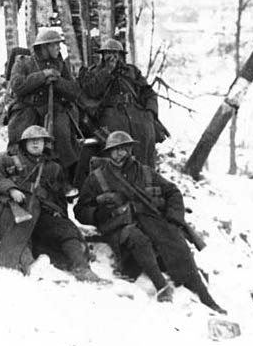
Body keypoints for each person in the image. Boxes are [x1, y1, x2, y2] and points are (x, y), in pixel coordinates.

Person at [75, 131, 225, 312]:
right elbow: (81, 211)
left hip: (150, 220)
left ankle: (204, 295)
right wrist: (101, 210)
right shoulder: (97, 178)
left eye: (124, 149)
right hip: (119, 226)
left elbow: (173, 191)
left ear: (130, 149)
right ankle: (162, 287)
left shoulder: (145, 172)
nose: (120, 153)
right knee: (136, 238)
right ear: (108, 153)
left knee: (177, 243)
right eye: (115, 150)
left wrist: (173, 217)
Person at [0, 125, 104, 281]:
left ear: (45, 143)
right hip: (15, 212)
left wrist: (60, 215)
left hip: (43, 215)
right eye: (31, 141)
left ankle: (81, 268)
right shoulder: (9, 160)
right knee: (21, 238)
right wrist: (11, 189)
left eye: (39, 141)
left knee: (67, 230)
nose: (35, 144)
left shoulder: (54, 168)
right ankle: (29, 267)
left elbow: (60, 199)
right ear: (24, 144)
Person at [7, 28, 84, 183]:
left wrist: (57, 81)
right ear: (44, 46)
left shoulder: (60, 65)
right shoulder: (24, 62)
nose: (58, 48)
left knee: (62, 136)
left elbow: (74, 90)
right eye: (55, 45)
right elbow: (17, 86)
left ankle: (64, 180)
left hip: (53, 109)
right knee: (20, 138)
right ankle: (18, 175)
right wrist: (42, 76)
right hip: (27, 109)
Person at [80, 39, 163, 167]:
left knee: (146, 136)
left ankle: (146, 176)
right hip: (110, 113)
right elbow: (91, 92)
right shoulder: (94, 72)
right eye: (108, 53)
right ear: (103, 55)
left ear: (121, 55)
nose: (112, 56)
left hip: (136, 112)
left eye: (115, 53)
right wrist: (107, 71)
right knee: (117, 141)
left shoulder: (132, 71)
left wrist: (150, 112)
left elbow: (148, 92)